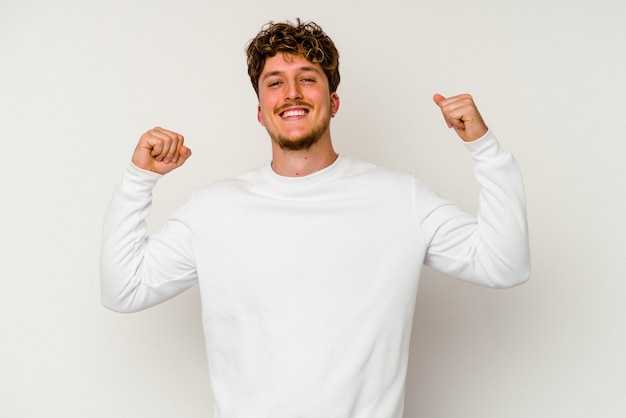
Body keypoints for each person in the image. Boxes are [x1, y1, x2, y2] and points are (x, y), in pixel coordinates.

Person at [100, 19, 530, 418]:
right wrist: (139, 180)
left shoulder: (401, 197)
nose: (292, 93)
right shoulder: (214, 208)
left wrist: (486, 150)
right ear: (259, 109)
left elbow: (504, 264)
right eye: (275, 83)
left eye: (307, 78)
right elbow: (124, 289)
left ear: (333, 100)